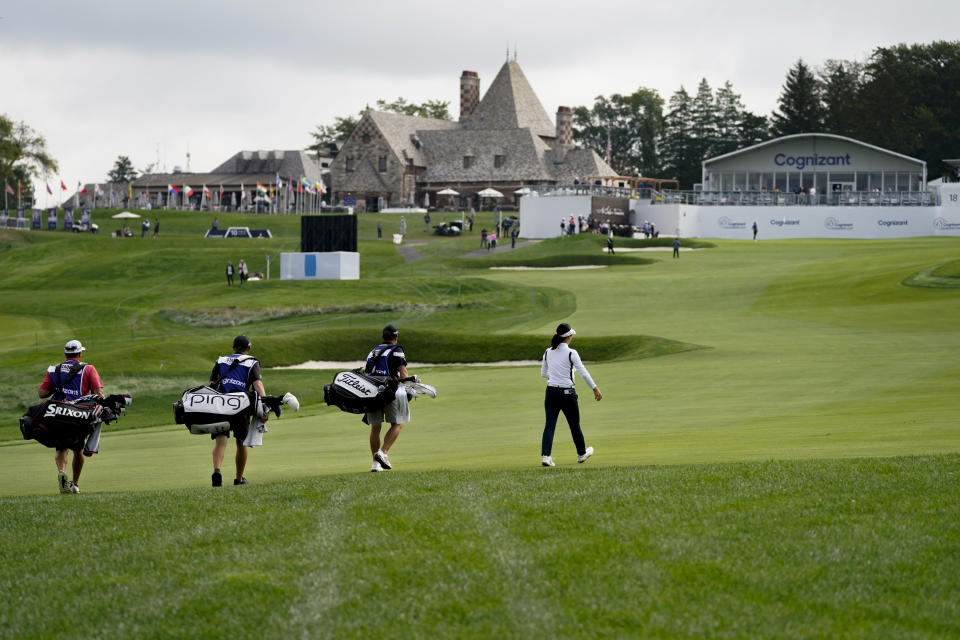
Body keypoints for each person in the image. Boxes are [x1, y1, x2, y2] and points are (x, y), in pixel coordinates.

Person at [38, 340, 105, 494]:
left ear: (65, 354)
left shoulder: (54, 369)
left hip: (58, 413)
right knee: (78, 450)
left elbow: (42, 393)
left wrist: (58, 387)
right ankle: (74, 484)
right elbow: (98, 393)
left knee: (61, 447)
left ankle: (62, 471)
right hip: (78, 414)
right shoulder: (88, 368)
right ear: (80, 353)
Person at [208, 335, 267, 486]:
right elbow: (258, 386)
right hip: (240, 405)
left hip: (220, 404)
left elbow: (211, 385)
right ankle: (239, 479)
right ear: (249, 349)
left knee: (221, 441)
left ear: (233, 348)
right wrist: (265, 406)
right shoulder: (252, 362)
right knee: (241, 443)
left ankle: (217, 470)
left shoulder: (220, 361)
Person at [540, 323, 601, 467]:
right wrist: (595, 388)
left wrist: (557, 375)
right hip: (567, 394)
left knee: (549, 425)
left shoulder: (548, 352)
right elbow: (583, 372)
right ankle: (581, 454)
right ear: (568, 337)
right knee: (574, 425)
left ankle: (546, 457)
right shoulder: (571, 353)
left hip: (551, 393)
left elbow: (544, 374)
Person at [364, 324, 411, 472]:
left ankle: (375, 464)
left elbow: (367, 371)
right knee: (398, 423)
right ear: (396, 337)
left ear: (382, 337)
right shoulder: (397, 350)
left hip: (372, 392)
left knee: (375, 427)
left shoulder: (373, 351)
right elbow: (402, 372)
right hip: (390, 391)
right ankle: (382, 453)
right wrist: (408, 390)